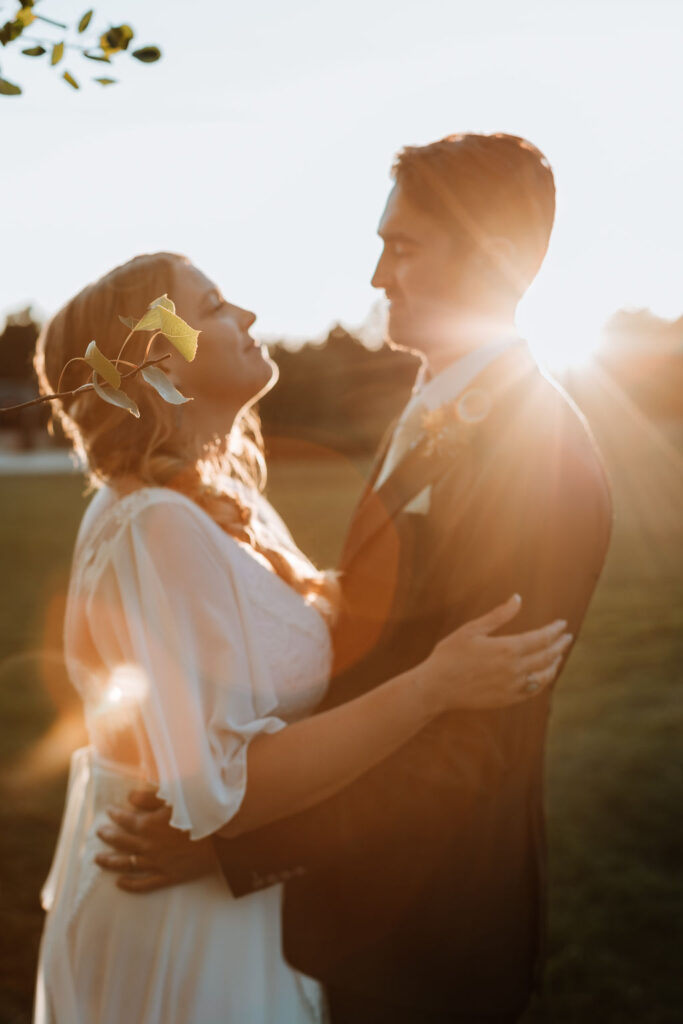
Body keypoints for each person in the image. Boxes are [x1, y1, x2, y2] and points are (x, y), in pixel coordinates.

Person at [98, 134, 613, 1023]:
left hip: (431, 932)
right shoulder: (430, 406)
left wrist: (235, 848)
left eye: (402, 247)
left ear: (490, 256)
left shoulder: (542, 453)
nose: (378, 275)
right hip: (355, 913)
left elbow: (470, 755)